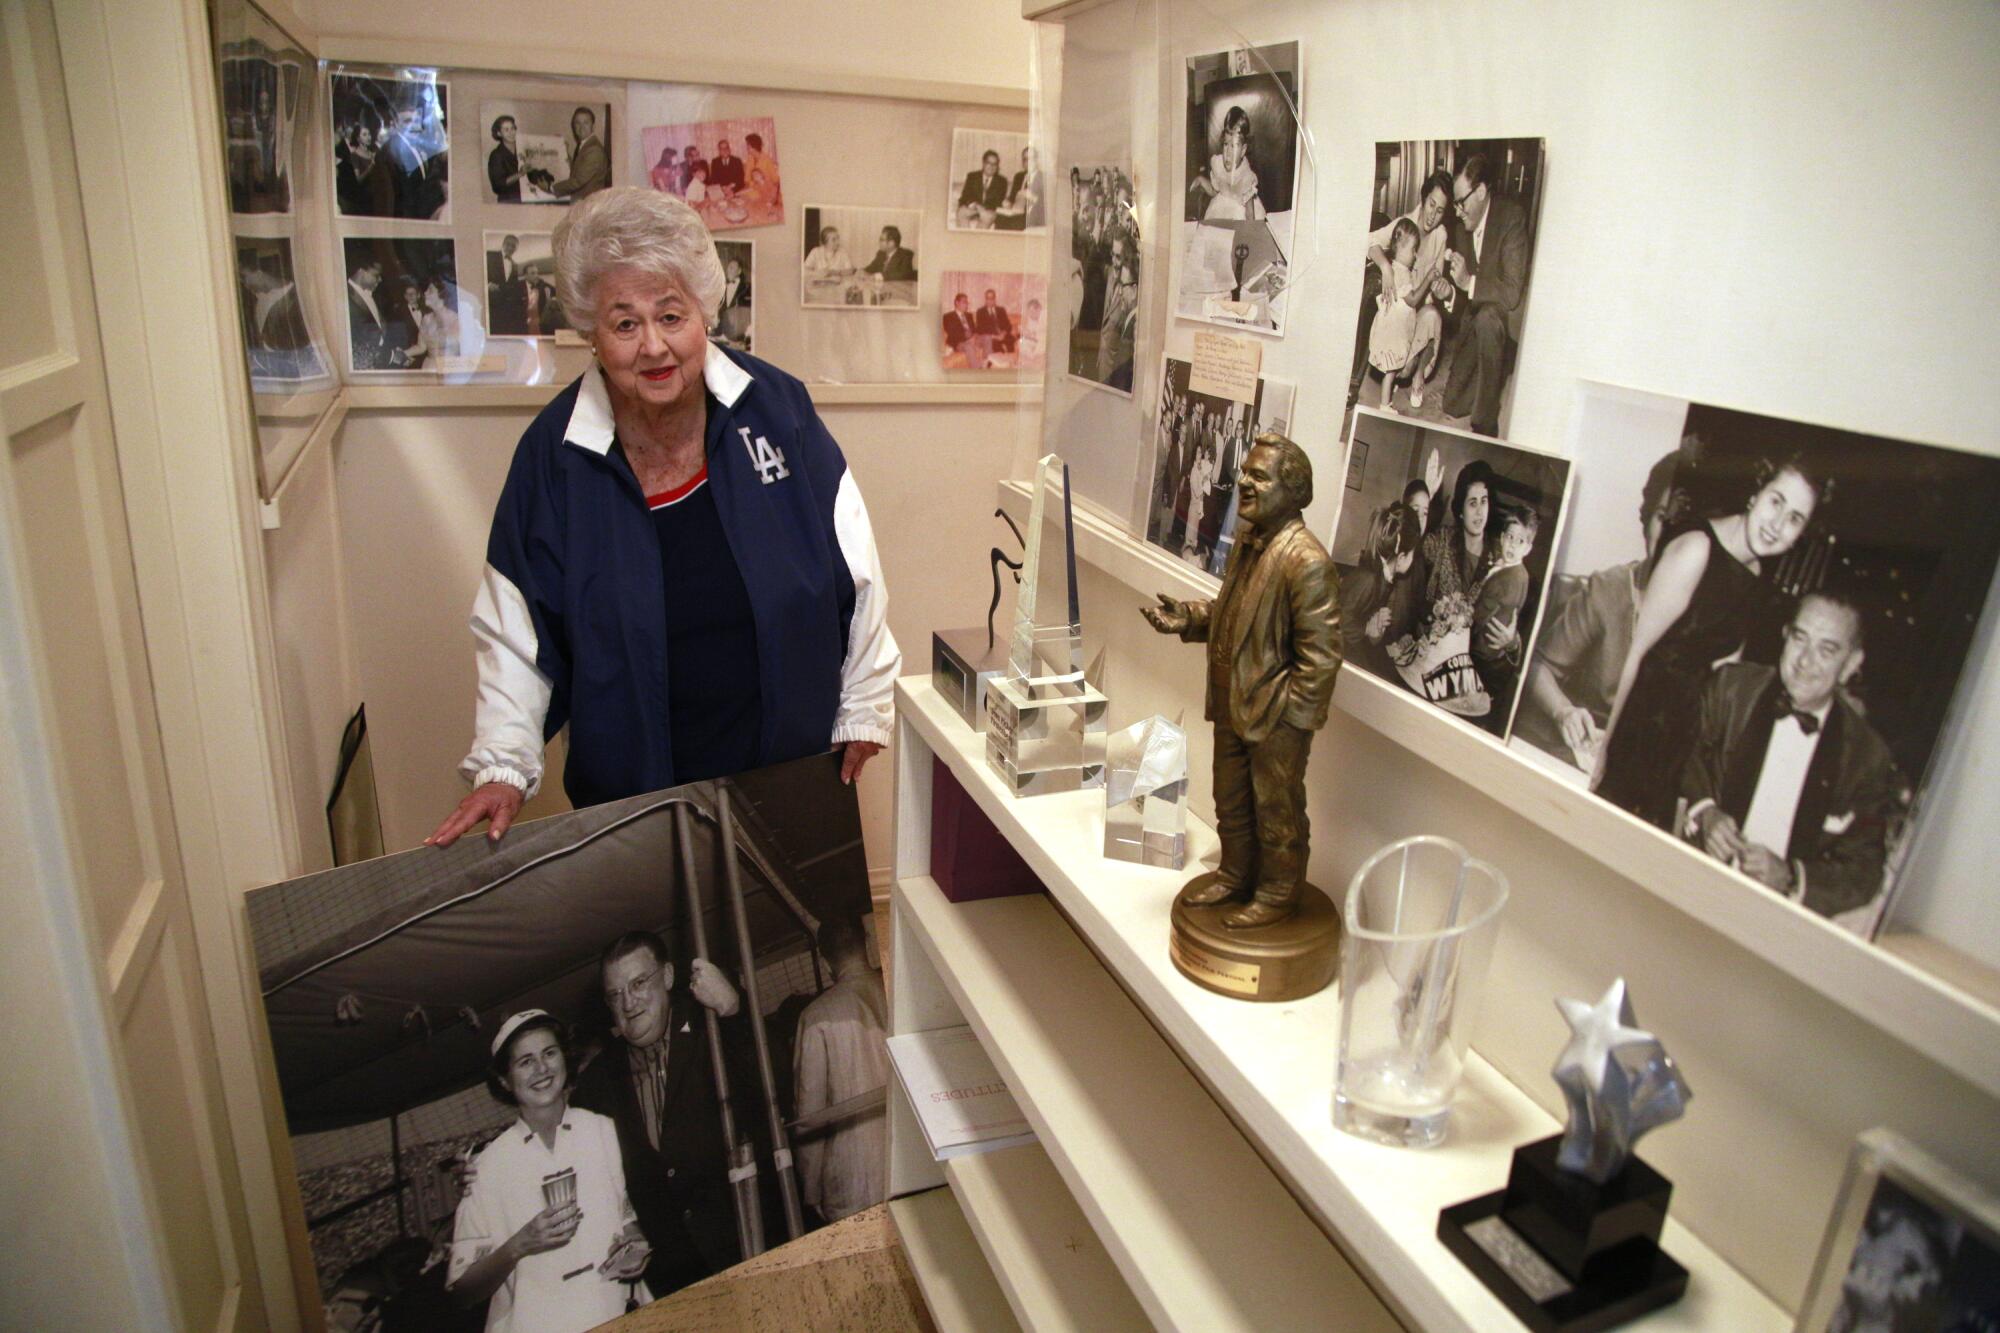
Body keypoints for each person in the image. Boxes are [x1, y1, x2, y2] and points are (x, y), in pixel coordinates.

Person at [428, 188, 897, 844]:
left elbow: (856, 568)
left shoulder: (775, 410)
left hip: (786, 777)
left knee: (787, 943)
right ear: (591, 331)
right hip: (632, 805)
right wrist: (504, 763)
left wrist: (864, 705)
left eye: (671, 316)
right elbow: (517, 630)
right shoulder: (554, 457)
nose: (653, 346)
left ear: (705, 314)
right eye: (625, 323)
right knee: (655, 947)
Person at [1142, 434, 1341, 929]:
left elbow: (1321, 658)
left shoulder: (1306, 561)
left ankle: (1277, 893)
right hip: (1233, 703)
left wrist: (1289, 723)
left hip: (1272, 715)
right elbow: (1235, 617)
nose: (1244, 482)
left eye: (1260, 476)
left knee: (1276, 808)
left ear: (1292, 490)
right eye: (1246, 472)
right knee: (1230, 801)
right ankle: (1235, 874)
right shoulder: (1250, 544)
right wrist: (1189, 618)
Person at [1595, 454, 1830, 828]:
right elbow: (1632, 651)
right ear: (1756, 494)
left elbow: (1721, 674)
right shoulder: (1696, 549)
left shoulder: (1754, 575)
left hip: (1680, 732)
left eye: (1795, 519)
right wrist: (1603, 748)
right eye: (1776, 501)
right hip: (1635, 724)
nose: (1778, 524)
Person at [1679, 591, 1901, 917]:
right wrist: (1705, 812)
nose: (1805, 662)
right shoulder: (1731, 689)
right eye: (1800, 639)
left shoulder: (1866, 756)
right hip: (1692, 886)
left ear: (1851, 664)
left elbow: (1864, 870)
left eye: (1826, 650)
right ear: (1785, 636)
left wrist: (1791, 877)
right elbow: (1682, 753)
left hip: (1778, 920)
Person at [447, 1011, 652, 1332]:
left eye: (549, 1053)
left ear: (565, 1060)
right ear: (505, 1080)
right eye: (525, 1061)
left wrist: (635, 1245)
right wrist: (520, 1244)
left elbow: (627, 1219)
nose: (541, 1069)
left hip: (615, 1313)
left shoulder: (602, 1130)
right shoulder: (484, 1167)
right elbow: (463, 1292)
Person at [569, 933, 749, 1296]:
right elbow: (572, 1158)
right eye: (615, 994)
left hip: (747, 1244)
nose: (628, 1002)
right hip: (674, 1278)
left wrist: (733, 1011)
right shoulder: (597, 1082)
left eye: (638, 983)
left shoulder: (712, 1030)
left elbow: (776, 1082)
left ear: (667, 977)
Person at [1521, 450, 1688, 765]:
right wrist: (1563, 711)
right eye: (1663, 518)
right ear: (1647, 516)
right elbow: (1535, 667)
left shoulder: (1705, 619)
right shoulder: (1609, 589)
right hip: (1582, 751)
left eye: (1682, 525)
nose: (1668, 536)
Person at [791, 917, 889, 1225]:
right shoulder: (897, 984)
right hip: (918, 1159)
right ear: (868, 943)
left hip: (856, 1180)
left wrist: (811, 1189)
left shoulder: (816, 1016)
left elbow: (810, 1117)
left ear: (824, 960)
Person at [1438, 153, 1532, 436]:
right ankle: (1491, 370)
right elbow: (1461, 298)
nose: (1456, 211)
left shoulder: (1511, 218)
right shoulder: (1461, 228)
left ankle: (1486, 420)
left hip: (1499, 322)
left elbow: (1512, 292)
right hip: (1473, 322)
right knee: (1452, 405)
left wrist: (1469, 282)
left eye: (1460, 202)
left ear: (1480, 192)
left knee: (1488, 318)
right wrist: (1450, 294)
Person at [1349, 170, 1453, 411]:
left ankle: (1418, 377)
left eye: (1440, 210)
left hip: (1417, 310)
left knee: (1434, 316)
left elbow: (1434, 289)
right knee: (1400, 366)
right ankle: (1398, 374)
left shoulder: (1441, 236)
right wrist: (1386, 267)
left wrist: (1442, 288)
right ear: (1423, 198)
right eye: (1431, 204)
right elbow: (1368, 242)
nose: (1432, 215)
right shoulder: (1404, 225)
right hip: (1399, 317)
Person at [1471, 500, 1539, 726]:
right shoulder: (1506, 567)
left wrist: (1460, 622)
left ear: (1528, 548)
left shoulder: (1513, 578)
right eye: (1510, 537)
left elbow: (1480, 615)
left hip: (1484, 654)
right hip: (1487, 652)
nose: (1512, 545)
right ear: (1501, 537)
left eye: (1520, 541)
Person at [1365, 218, 1442, 410]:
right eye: (1413, 250)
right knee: (1390, 372)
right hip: (1393, 335)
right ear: (1399, 248)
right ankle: (1385, 405)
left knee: (1393, 370)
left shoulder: (1400, 269)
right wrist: (1428, 278)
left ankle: (1388, 397)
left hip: (1399, 330)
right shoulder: (1398, 272)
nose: (1415, 255)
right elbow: (1413, 299)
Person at [1342, 502, 1421, 679]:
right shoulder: (1369, 579)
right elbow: (1336, 621)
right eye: (1413, 553)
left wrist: (1375, 626)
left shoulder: (1384, 579)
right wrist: (1366, 629)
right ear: (1401, 558)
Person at [1189, 105, 1262, 221]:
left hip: (1240, 214)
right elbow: (1215, 191)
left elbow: (1250, 214)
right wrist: (1202, 181)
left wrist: (1249, 235)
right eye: (1225, 144)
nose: (1227, 153)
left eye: (1233, 146)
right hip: (1220, 209)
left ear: (1243, 150)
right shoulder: (1218, 165)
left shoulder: (1246, 177)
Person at [1096, 233, 1138, 390]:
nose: (1114, 261)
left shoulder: (1131, 293)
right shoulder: (1111, 277)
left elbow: (1129, 345)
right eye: (1112, 255)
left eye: (1118, 257)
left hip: (1116, 379)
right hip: (1102, 365)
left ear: (1127, 259)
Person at [548, 107, 610, 201]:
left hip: (587, 204)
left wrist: (551, 188)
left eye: (586, 123)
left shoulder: (594, 149)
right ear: (574, 126)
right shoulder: (585, 145)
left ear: (593, 125)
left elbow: (578, 181)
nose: (581, 127)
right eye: (577, 123)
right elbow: (577, 170)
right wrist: (563, 150)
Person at [346, 256, 393, 370]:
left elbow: (379, 329)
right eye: (376, 275)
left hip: (380, 361)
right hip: (363, 365)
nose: (380, 279)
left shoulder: (372, 294)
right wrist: (390, 355)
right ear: (361, 272)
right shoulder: (345, 295)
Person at [994, 145, 1044, 231]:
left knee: (1016, 223)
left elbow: (1048, 206)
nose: (1028, 162)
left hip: (1033, 215)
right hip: (1017, 213)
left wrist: (1033, 197)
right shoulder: (1018, 177)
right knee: (1000, 218)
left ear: (1037, 160)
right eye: (1025, 159)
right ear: (1023, 162)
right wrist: (1007, 203)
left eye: (1031, 159)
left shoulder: (1044, 178)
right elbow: (1012, 198)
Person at [957, 148, 1009, 228]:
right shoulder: (972, 176)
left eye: (995, 164)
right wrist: (977, 206)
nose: (992, 166)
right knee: (961, 212)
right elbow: (965, 196)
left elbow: (998, 201)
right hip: (973, 207)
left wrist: (984, 209)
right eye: (989, 163)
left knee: (987, 216)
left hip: (989, 210)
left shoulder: (1002, 181)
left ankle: (977, 239)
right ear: (983, 163)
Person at [488, 234, 528, 335]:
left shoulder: (515, 265)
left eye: (513, 246)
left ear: (516, 249)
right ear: (503, 244)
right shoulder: (489, 255)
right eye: (508, 244)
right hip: (489, 302)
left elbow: (512, 285)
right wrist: (487, 285)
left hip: (504, 306)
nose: (510, 248)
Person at [941, 293, 985, 368]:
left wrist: (975, 336)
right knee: (969, 346)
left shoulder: (969, 315)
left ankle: (987, 363)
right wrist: (968, 338)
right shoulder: (948, 317)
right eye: (964, 302)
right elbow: (952, 333)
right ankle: (978, 369)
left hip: (972, 339)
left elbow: (974, 330)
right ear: (957, 303)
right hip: (958, 343)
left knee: (987, 339)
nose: (966, 305)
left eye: (967, 302)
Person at [488, 115, 524, 203]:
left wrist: (554, 143)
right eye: (506, 130)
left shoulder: (522, 148)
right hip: (508, 201)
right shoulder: (496, 155)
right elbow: (497, 186)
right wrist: (521, 173)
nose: (511, 132)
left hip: (527, 198)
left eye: (513, 128)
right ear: (499, 133)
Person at [973, 289, 1014, 353]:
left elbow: (1008, 325)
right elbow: (980, 329)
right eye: (987, 298)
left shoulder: (1001, 310)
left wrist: (1003, 333)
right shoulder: (980, 311)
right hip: (992, 338)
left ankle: (1010, 359)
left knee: (1011, 340)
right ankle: (999, 360)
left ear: (995, 299)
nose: (990, 300)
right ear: (985, 299)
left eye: (991, 298)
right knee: (997, 349)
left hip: (1003, 335)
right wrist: (995, 337)